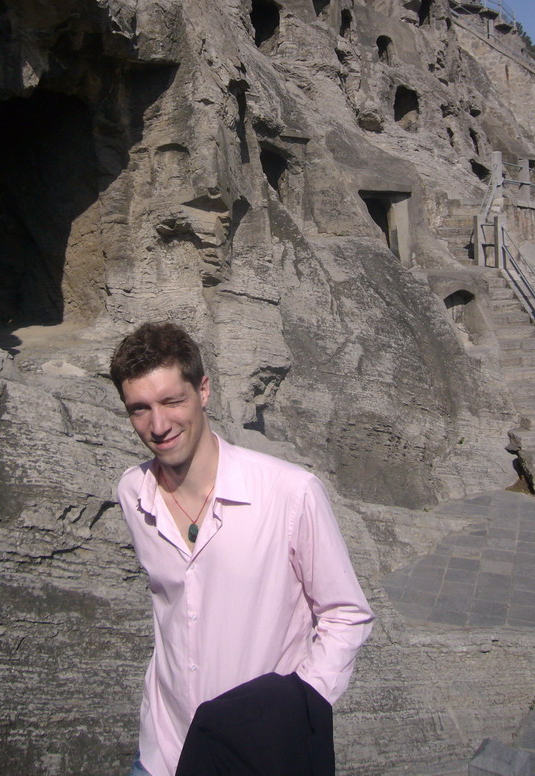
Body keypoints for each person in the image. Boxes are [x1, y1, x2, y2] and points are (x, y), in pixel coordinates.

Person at [111, 321, 374, 776]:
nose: (158, 425)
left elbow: (345, 614)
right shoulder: (133, 493)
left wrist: (299, 703)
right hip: (163, 752)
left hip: (258, 754)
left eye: (172, 401)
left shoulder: (290, 492)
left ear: (204, 390)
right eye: (140, 409)